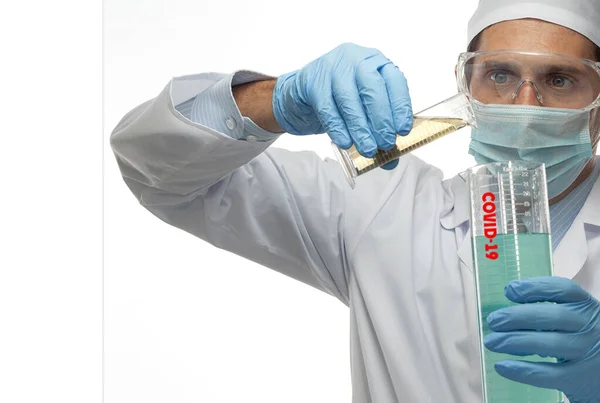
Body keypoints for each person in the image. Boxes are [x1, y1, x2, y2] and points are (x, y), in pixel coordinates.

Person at [110, 0, 600, 401]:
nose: (524, 106)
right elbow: (155, 171)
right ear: (465, 86)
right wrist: (276, 101)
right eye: (499, 75)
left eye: (560, 79)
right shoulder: (380, 205)